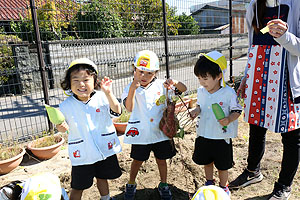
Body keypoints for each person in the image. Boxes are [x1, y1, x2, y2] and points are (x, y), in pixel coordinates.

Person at [228, 0, 300, 199]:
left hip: (286, 78)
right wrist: (245, 77)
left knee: (292, 136)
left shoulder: (296, 4)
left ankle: (284, 185)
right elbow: (253, 46)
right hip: (259, 75)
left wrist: (285, 37)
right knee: (256, 127)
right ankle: (253, 172)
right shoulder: (253, 6)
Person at [121, 50, 187, 200]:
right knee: (137, 160)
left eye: (149, 73)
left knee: (161, 160)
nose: (143, 76)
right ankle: (131, 184)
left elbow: (183, 89)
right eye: (140, 72)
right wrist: (132, 88)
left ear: (156, 73)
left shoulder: (161, 86)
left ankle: (163, 184)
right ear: (134, 69)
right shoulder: (129, 88)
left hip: (160, 132)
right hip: (140, 133)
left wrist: (175, 83)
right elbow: (129, 108)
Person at [56, 58, 122, 200]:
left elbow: (117, 111)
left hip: (103, 148)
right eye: (75, 80)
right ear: (69, 83)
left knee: (102, 177)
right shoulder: (65, 106)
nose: (81, 84)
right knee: (78, 185)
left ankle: (106, 198)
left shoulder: (102, 97)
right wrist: (60, 127)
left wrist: (109, 93)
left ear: (94, 81)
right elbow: (61, 128)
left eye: (86, 80)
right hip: (82, 153)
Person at [189, 51, 242, 197]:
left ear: (219, 76)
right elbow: (200, 106)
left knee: (222, 165)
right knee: (207, 161)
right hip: (204, 133)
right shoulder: (201, 91)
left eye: (205, 78)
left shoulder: (228, 93)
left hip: (221, 136)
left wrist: (229, 119)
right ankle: (209, 182)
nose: (202, 82)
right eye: (199, 78)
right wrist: (195, 111)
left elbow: (237, 110)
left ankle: (223, 186)